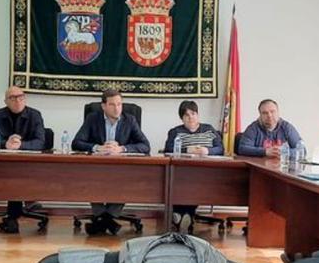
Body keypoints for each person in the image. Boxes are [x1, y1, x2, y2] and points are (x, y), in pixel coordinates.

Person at [72, 89, 150, 235]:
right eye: (112, 105)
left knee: (126, 181)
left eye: (120, 104)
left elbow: (145, 146)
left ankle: (102, 220)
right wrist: (97, 147)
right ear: (103, 106)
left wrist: (122, 149)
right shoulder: (92, 118)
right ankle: (107, 221)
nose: (117, 108)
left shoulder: (130, 120)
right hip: (97, 168)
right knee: (89, 178)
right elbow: (76, 143)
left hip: (122, 169)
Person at [0, 86, 46, 234]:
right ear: (6, 101)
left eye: (21, 97)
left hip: (30, 166)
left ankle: (13, 215)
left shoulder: (35, 115)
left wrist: (20, 145)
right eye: (13, 98)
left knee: (19, 177)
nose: (17, 100)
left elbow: (41, 142)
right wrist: (6, 144)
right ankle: (13, 215)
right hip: (3, 167)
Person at [164, 100, 224, 232]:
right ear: (182, 118)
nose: (190, 117)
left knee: (196, 183)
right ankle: (186, 216)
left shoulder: (209, 129)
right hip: (183, 171)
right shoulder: (175, 132)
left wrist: (207, 151)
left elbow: (220, 148)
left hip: (206, 172)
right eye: (186, 115)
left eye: (193, 114)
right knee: (183, 182)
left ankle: (181, 216)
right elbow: (167, 150)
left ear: (198, 115)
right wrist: (187, 151)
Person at [237, 99, 302, 157]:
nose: (269, 115)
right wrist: (265, 152)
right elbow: (242, 148)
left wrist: (283, 152)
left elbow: (302, 150)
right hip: (260, 166)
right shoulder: (253, 128)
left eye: (272, 111)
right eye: (265, 113)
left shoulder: (287, 127)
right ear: (260, 115)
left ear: (278, 112)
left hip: (281, 167)